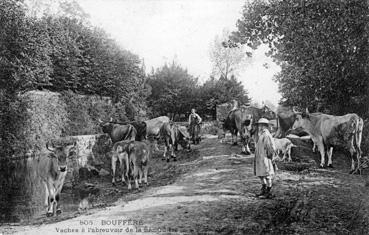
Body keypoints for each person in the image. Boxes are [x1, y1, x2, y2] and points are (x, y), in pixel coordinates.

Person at [254, 118, 276, 199]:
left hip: (265, 158)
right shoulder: (262, 134)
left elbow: (270, 148)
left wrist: (270, 157)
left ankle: (268, 192)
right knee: (261, 174)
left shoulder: (266, 135)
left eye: (261, 125)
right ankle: (263, 190)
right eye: (259, 125)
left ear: (264, 126)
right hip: (260, 157)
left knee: (267, 175)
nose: (259, 127)